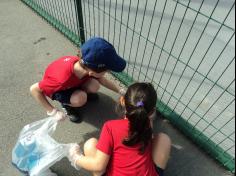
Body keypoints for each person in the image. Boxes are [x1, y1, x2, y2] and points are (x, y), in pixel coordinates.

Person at [68, 82, 171, 176]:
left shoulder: (111, 127)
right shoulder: (147, 123)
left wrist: (76, 158)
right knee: (164, 139)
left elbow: (98, 165)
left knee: (90, 145)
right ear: (152, 111)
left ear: (122, 100)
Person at [30, 37, 126, 123]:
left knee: (95, 85)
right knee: (80, 98)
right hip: (62, 89)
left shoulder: (86, 64)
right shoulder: (61, 80)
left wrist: (121, 91)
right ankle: (67, 105)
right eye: (107, 70)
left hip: (75, 82)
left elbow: (103, 80)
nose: (107, 72)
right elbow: (34, 89)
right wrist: (52, 111)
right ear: (92, 72)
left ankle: (80, 94)